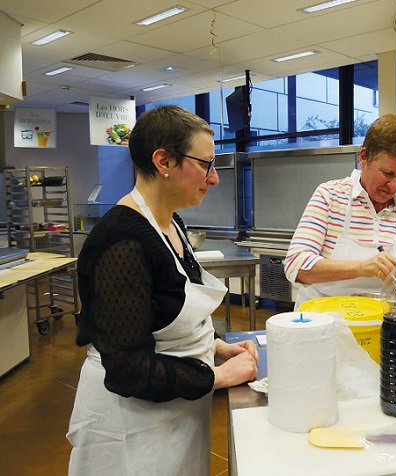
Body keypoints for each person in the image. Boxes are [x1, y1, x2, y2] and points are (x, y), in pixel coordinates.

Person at [67, 105, 259, 475]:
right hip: (131, 425)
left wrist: (216, 347)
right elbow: (128, 370)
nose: (214, 178)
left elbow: (164, 312)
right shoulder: (122, 239)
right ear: (163, 161)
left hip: (175, 413)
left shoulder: (171, 222)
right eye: (206, 164)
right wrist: (219, 376)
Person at [285, 113, 396, 310]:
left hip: (379, 322)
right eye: (387, 173)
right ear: (364, 157)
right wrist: (361, 268)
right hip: (326, 320)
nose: (393, 185)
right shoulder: (330, 196)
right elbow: (296, 265)